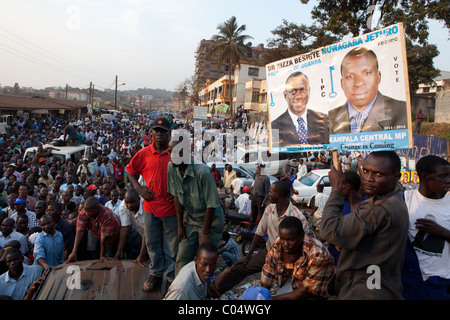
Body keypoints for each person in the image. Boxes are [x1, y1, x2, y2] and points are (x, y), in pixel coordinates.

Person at [320, 151, 409, 299]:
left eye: (378, 174)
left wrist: (336, 189)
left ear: (396, 178)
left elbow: (328, 229)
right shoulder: (395, 199)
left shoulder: (377, 208)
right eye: (366, 171)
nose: (368, 179)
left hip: (366, 290)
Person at [209, 181, 308, 298]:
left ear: (279, 194)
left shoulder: (298, 218)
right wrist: (248, 256)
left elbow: (304, 247)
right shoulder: (269, 209)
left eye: (271, 192)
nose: (268, 195)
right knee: (240, 267)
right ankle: (213, 291)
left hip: (290, 259)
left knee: (288, 289)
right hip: (269, 253)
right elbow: (259, 233)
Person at [126, 118, 178, 293]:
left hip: (171, 210)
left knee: (172, 245)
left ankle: (171, 277)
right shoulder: (144, 153)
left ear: (169, 133)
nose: (160, 135)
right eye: (157, 131)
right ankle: (155, 273)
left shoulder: (177, 153)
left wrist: (179, 193)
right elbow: (130, 170)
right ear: (152, 133)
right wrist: (139, 189)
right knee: (153, 244)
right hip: (150, 208)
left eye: (163, 131)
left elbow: (191, 173)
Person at [167, 139, 224, 275]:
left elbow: (211, 205)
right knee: (182, 258)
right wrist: (180, 225)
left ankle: (203, 290)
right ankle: (180, 290)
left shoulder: (202, 172)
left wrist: (205, 233)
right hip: (191, 220)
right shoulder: (171, 167)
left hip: (210, 221)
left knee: (204, 260)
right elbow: (176, 196)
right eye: (169, 151)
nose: (172, 155)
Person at [328, 47, 407, 134]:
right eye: (350, 76)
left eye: (367, 73)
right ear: (342, 83)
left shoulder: (403, 112)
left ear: (378, 77)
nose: (358, 83)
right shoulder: (328, 119)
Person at [403, 155, 450, 299]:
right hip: (409, 280)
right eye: (443, 176)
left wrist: (440, 231)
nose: (448, 180)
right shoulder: (404, 199)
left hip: (440, 282)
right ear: (425, 177)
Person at [261, 216, 335, 300]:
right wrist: (262, 295)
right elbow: (269, 270)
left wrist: (272, 299)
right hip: (296, 284)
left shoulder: (318, 254)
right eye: (283, 239)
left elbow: (304, 291)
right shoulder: (279, 244)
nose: (285, 244)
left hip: (315, 293)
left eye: (290, 240)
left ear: (301, 236)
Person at [271, 71, 329, 146]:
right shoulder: (275, 126)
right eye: (293, 91)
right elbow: (276, 153)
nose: (299, 96)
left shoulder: (324, 121)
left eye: (303, 90)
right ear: (285, 95)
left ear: (309, 91)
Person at [327, 171, 366, 265]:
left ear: (347, 187)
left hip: (357, 255)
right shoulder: (340, 203)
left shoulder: (366, 206)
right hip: (337, 253)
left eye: (340, 185)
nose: (337, 188)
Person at [66, 196, 120, 262]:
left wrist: (102, 255)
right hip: (94, 229)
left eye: (88, 211)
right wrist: (74, 252)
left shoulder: (107, 214)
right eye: (85, 210)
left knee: (109, 253)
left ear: (96, 209)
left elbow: (104, 237)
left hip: (111, 233)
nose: (86, 213)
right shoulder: (84, 212)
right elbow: (79, 231)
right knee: (91, 248)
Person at [114, 188, 145, 262]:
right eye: (127, 202)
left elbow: (147, 232)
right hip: (142, 233)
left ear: (139, 199)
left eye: (133, 202)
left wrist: (141, 255)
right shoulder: (123, 206)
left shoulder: (145, 205)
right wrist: (120, 250)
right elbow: (124, 228)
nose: (129, 205)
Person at [249, 164, 271, 229]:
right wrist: (251, 194)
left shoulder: (266, 178)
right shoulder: (256, 176)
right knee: (253, 214)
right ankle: (250, 228)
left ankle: (259, 229)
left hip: (260, 198)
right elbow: (254, 186)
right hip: (254, 197)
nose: (256, 170)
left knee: (260, 215)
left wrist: (264, 201)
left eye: (257, 169)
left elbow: (267, 192)